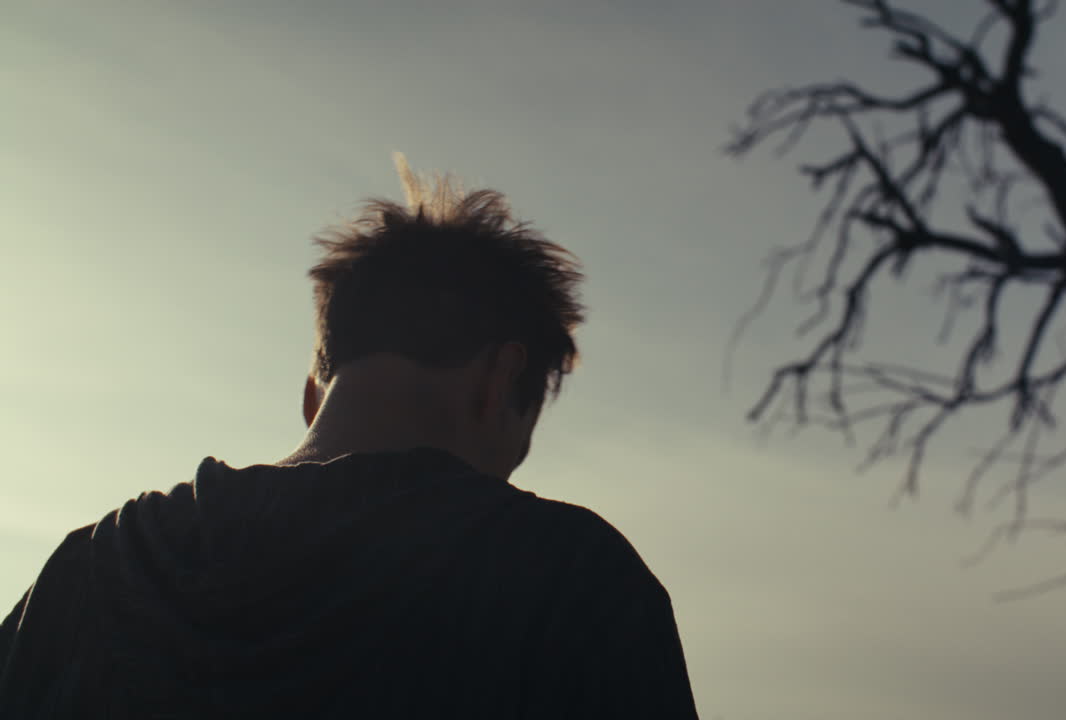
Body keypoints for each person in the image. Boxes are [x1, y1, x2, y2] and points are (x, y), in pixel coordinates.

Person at [0, 155, 700, 719]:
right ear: (499, 378)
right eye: (520, 441)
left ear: (313, 394)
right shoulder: (575, 582)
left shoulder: (90, 570)